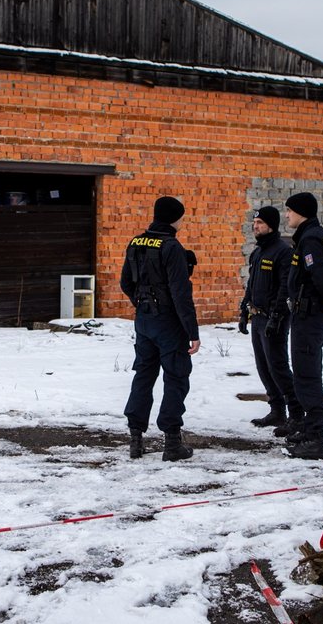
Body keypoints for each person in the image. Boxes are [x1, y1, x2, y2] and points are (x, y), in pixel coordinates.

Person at [120, 196, 201, 461]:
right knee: (176, 377)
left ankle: (135, 438)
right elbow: (180, 293)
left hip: (144, 320)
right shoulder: (171, 246)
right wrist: (192, 331)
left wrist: (141, 302)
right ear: (175, 218)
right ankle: (172, 443)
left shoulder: (136, 242)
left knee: (143, 375)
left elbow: (125, 283)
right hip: (169, 322)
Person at [283, 192, 323, 460]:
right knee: (304, 371)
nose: (286, 215)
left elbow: (321, 273)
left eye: (289, 211)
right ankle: (308, 430)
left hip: (310, 315)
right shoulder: (320, 235)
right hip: (310, 314)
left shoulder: (309, 239)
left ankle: (315, 438)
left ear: (301, 212)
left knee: (306, 373)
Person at [238, 206, 301, 434]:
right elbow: (251, 285)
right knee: (263, 367)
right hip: (257, 318)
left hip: (274, 319)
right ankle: (277, 411)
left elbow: (285, 288)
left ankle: (296, 414)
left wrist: (276, 316)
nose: (255, 227)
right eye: (254, 224)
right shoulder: (258, 252)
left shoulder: (282, 252)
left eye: (260, 224)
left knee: (278, 367)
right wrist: (244, 310)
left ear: (271, 226)